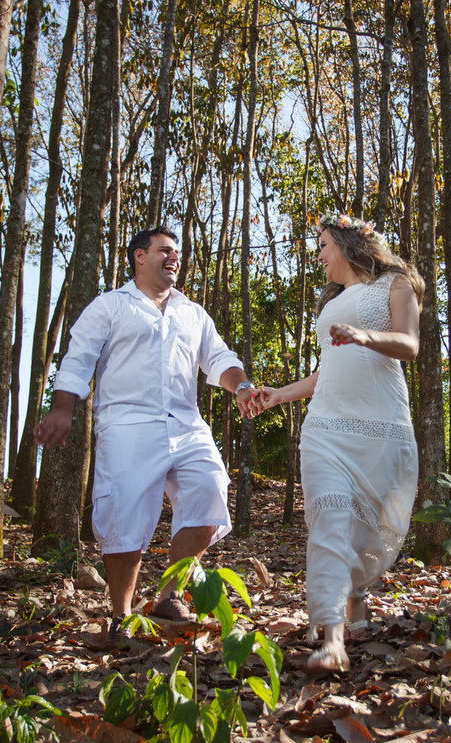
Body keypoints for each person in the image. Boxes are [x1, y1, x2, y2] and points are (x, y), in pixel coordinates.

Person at [35, 226, 256, 646]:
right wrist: (64, 407)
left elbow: (220, 358)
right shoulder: (110, 306)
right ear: (139, 256)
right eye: (164, 250)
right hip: (127, 423)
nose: (174, 257)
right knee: (124, 515)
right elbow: (79, 358)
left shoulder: (192, 313)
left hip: (186, 423)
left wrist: (242, 387)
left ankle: (168, 598)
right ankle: (121, 616)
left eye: (178, 252)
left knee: (210, 492)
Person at [250, 213, 423, 672]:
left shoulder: (396, 284)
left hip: (380, 424)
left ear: (348, 244)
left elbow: (409, 344)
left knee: (363, 527)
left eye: (324, 244)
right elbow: (329, 369)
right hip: (325, 427)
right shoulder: (330, 304)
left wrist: (365, 336)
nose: (320, 255)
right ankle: (331, 635)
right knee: (330, 518)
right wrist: (279, 395)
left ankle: (358, 602)